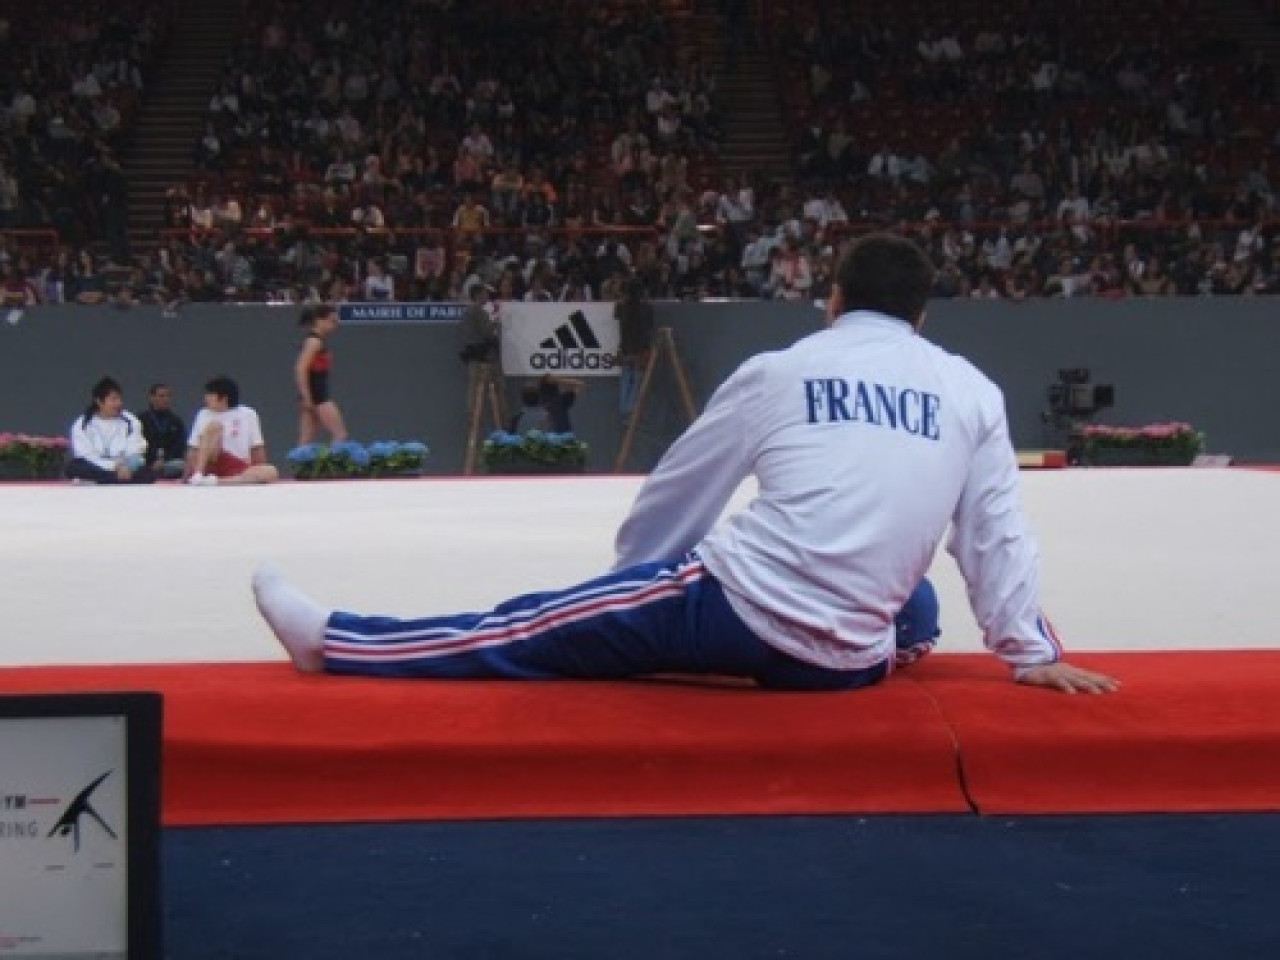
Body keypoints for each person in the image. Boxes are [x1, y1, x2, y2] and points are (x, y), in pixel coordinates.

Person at [252, 234, 1118, 696]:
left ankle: (332, 643)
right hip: (844, 664)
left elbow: (683, 485)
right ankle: (814, 624)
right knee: (917, 601)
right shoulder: (970, 389)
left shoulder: (784, 370)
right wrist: (1026, 648)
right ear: (923, 319)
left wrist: (633, 588)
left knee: (520, 631)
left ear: (833, 302)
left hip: (736, 610)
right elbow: (994, 529)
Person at [186, 375, 280, 486]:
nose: (206, 398)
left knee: (271, 471)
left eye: (210, 394)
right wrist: (189, 473)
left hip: (236, 465)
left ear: (223, 398)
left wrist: (259, 469)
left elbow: (257, 448)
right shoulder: (203, 414)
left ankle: (217, 482)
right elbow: (193, 449)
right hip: (211, 461)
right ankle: (198, 476)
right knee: (214, 427)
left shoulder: (248, 414)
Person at [66, 377, 156, 484]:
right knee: (74, 467)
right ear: (99, 401)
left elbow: (135, 451)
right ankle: (113, 479)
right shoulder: (82, 423)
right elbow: (86, 455)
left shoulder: (131, 421)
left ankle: (99, 481)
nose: (118, 403)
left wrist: (127, 467)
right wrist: (114, 466)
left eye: (120, 399)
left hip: (125, 467)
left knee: (148, 473)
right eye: (113, 399)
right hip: (97, 466)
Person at [295, 304, 348, 447]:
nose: (335, 325)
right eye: (332, 321)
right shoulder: (314, 342)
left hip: (315, 395)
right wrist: (307, 398)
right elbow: (300, 368)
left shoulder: (316, 341)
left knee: (306, 439)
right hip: (318, 397)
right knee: (340, 434)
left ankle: (299, 468)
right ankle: (333, 467)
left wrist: (306, 398)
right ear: (319, 320)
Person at [615, 278, 654, 423]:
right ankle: (630, 411)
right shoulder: (646, 308)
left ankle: (625, 411)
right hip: (640, 349)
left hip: (626, 347)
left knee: (626, 380)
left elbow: (617, 316)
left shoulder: (621, 307)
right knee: (636, 381)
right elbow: (648, 327)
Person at [136, 382, 187, 479]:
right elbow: (136, 445)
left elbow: (180, 446)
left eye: (168, 396)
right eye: (161, 396)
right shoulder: (141, 419)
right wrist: (152, 461)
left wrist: (164, 460)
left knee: (182, 465)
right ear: (152, 398)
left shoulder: (176, 421)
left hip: (169, 464)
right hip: (146, 463)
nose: (166, 399)